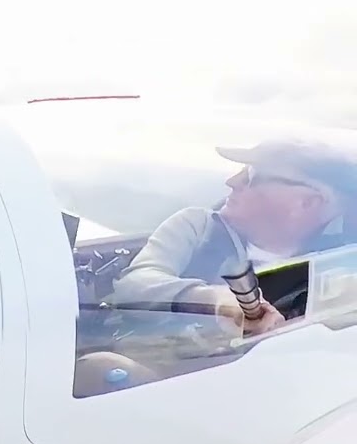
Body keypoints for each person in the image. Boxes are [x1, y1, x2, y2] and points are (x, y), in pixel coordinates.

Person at [111, 138, 357, 336]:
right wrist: (212, 299)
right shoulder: (199, 227)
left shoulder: (341, 262)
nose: (232, 181)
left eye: (250, 176)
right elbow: (134, 285)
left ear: (308, 202)